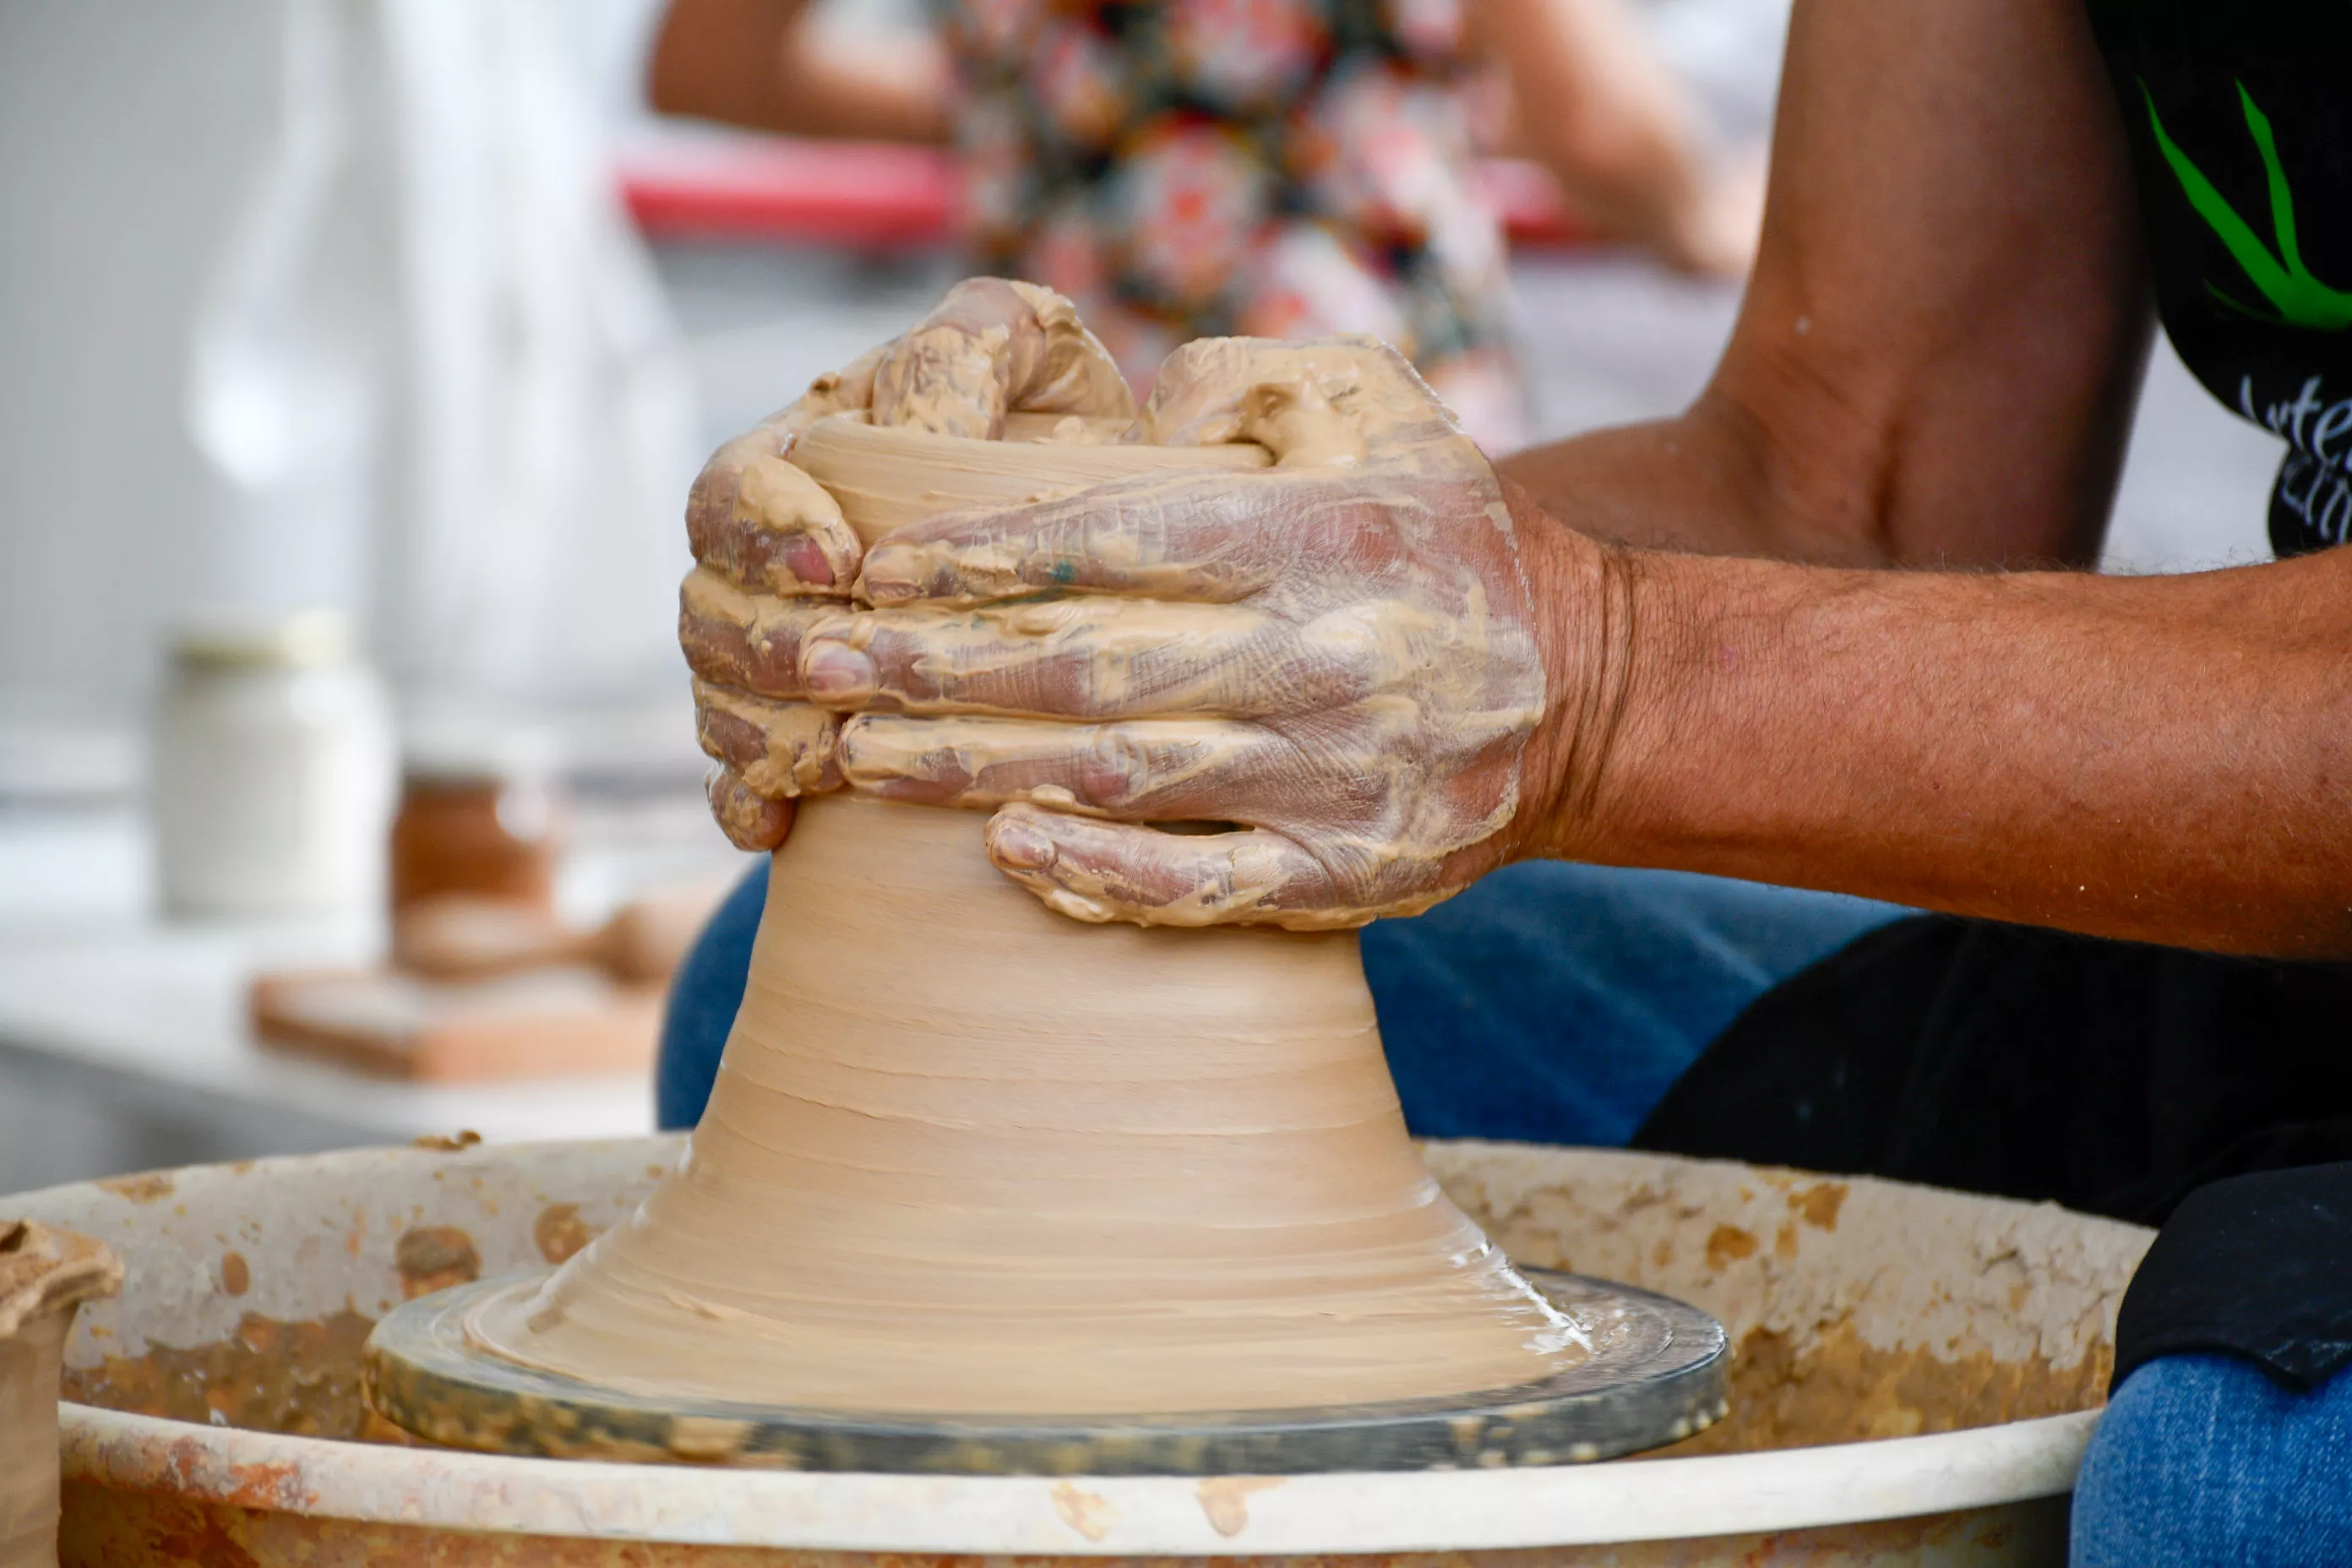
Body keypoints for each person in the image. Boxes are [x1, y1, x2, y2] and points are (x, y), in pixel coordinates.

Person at [663, 0, 2352, 1556]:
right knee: (934, 1004)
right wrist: (1073, 576)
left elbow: (1615, 641)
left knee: (2242, 1468)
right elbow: (1858, 485)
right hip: (2236, 936)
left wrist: (1595, 671)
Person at [645, 0, 1764, 446]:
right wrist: (1712, 213)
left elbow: (704, 67)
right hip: (1349, 435)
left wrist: (1060, 113)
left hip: (1058, 450)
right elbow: (1602, 130)